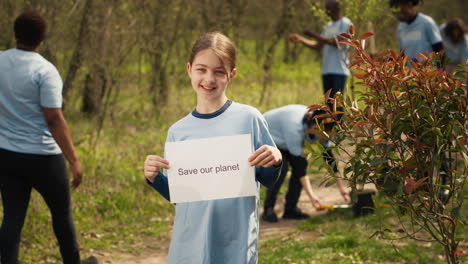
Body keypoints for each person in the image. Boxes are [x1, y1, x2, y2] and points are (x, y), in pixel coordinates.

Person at [143, 32, 282, 264]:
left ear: (231, 75)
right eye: (201, 69)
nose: (209, 79)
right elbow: (180, 196)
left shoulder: (249, 119)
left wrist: (275, 160)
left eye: (219, 71)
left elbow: (267, 179)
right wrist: (153, 178)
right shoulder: (178, 131)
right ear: (189, 70)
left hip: (235, 243)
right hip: (190, 246)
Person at [0, 11, 95, 264]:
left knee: (12, 216)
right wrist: (74, 160)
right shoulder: (45, 70)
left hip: (7, 155)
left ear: (15, 33)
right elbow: (54, 119)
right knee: (61, 214)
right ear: (42, 38)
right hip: (43, 158)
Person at [262, 105, 350, 223]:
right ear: (315, 128)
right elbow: (300, 168)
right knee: (281, 168)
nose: (327, 139)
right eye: (326, 136)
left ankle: (290, 209)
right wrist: (312, 197)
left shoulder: (318, 122)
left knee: (300, 165)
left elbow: (328, 158)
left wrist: (341, 187)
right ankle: (268, 209)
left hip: (285, 139)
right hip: (268, 137)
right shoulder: (294, 128)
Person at [289, 0, 352, 105]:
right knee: (328, 105)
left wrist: (313, 35)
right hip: (326, 71)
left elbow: (336, 42)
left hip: (339, 71)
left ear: (337, 8)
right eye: (326, 9)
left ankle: (339, 122)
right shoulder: (328, 26)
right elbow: (318, 45)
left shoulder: (345, 23)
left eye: (328, 8)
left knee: (337, 104)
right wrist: (301, 39)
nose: (326, 12)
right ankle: (330, 122)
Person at [389, 0, 444, 65]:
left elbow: (439, 48)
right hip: (411, 73)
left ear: (409, 4)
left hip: (428, 72)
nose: (398, 15)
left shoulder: (426, 22)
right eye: (395, 12)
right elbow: (403, 53)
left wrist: (440, 71)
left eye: (400, 10)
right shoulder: (400, 28)